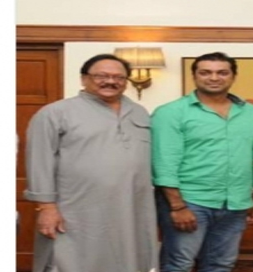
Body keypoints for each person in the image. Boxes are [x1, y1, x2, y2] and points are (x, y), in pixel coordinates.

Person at [24, 54, 157, 272]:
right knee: (72, 260)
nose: (110, 81)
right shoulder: (55, 113)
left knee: (129, 258)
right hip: (77, 210)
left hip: (131, 209)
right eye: (101, 76)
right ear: (84, 79)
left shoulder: (140, 112)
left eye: (119, 77)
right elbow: (39, 161)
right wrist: (47, 208)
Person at [151, 52, 253, 272]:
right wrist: (177, 206)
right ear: (195, 76)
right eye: (205, 72)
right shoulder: (171, 113)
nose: (214, 78)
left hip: (236, 204)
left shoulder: (250, 113)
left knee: (221, 265)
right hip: (190, 201)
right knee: (179, 264)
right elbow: (164, 162)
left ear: (233, 76)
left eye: (222, 73)